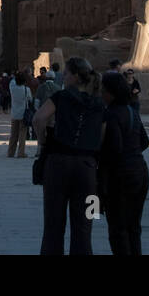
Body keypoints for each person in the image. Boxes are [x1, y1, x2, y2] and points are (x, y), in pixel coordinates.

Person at [32, 57, 105, 255]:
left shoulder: (61, 97)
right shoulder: (99, 103)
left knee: (53, 226)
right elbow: (103, 136)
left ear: (74, 76)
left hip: (58, 165)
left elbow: (38, 118)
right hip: (89, 170)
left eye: (66, 73)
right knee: (85, 226)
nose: (63, 77)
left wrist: (43, 141)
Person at [99, 72, 149, 255]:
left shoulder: (111, 114)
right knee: (133, 227)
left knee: (118, 230)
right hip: (140, 171)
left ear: (110, 92)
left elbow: (114, 148)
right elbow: (144, 141)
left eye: (103, 91)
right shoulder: (131, 111)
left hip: (120, 176)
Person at [7, 71, 33, 158]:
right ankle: (21, 152)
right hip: (23, 114)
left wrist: (17, 75)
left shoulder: (12, 87)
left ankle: (10, 152)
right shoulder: (26, 90)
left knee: (13, 134)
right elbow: (30, 99)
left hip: (14, 113)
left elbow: (12, 81)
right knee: (22, 134)